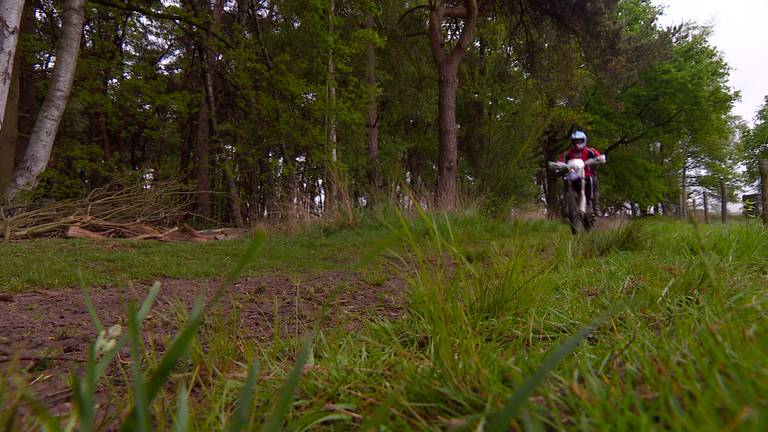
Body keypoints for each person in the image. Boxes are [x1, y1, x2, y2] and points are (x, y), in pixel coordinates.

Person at [553, 130, 606, 224]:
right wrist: (557, 165)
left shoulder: (591, 151)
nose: (578, 143)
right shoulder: (568, 153)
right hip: (573, 175)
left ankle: (596, 207)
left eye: (580, 141)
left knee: (593, 182)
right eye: (575, 141)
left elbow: (600, 157)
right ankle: (568, 207)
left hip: (587, 175)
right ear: (572, 142)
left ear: (584, 140)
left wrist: (598, 159)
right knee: (565, 183)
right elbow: (561, 160)